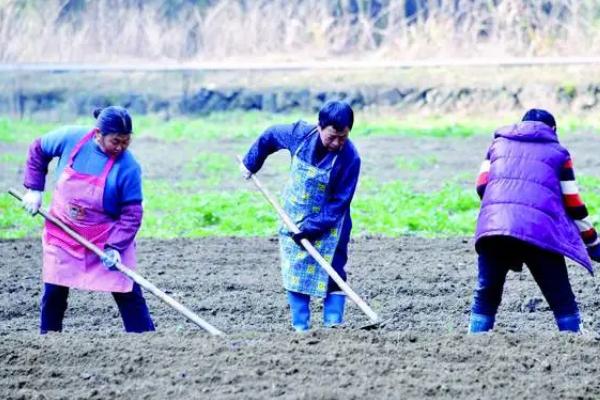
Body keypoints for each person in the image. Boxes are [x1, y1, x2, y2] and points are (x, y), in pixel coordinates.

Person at [21, 106, 155, 333]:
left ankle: (146, 340)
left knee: (126, 289)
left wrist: (115, 247)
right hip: (63, 230)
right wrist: (34, 189)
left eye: (126, 141)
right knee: (54, 290)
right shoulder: (71, 138)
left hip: (104, 237)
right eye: (115, 141)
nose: (121, 147)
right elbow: (38, 149)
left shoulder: (129, 167)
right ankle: (48, 341)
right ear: (97, 134)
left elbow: (132, 214)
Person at [469, 108, 600, 333]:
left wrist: (503, 209)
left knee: (486, 294)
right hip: (539, 230)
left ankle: (473, 342)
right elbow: (573, 203)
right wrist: (594, 243)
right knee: (561, 298)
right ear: (554, 130)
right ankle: (574, 343)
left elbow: (482, 185)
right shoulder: (558, 153)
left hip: (495, 228)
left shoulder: (497, 145)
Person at [240, 101, 361, 332]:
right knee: (296, 269)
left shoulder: (350, 158)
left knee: (333, 270)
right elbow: (270, 136)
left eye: (343, 137)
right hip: (294, 217)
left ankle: (334, 327)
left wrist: (314, 226)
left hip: (331, 223)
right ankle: (300, 328)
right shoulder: (299, 135)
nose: (337, 143)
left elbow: (340, 202)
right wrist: (251, 163)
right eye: (332, 137)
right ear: (319, 127)